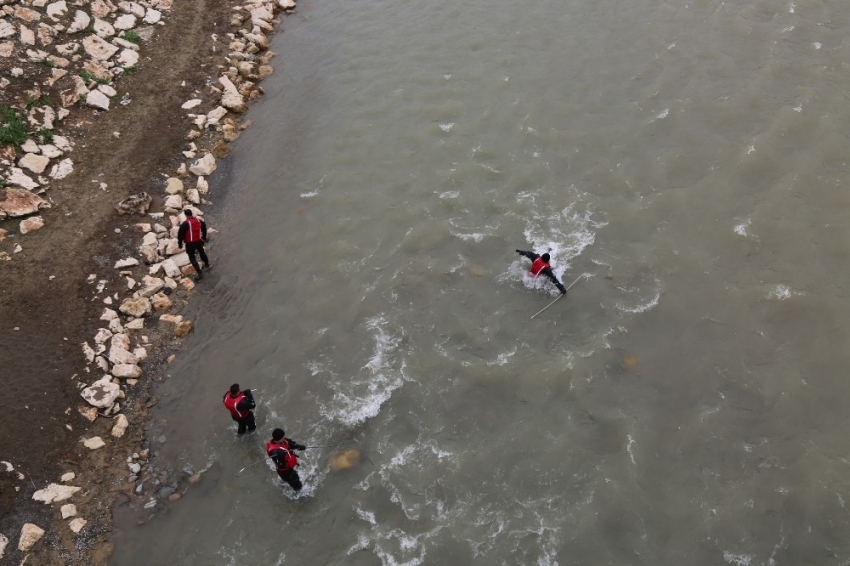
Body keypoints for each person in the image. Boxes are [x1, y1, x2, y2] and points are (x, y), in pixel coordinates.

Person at [177, 209, 210, 280]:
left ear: (185, 215)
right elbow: (204, 227)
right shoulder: (198, 221)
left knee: (192, 258)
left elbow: (180, 235)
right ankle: (207, 264)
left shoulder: (185, 224)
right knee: (202, 253)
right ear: (191, 214)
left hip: (190, 244)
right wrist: (204, 236)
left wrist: (180, 244)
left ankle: (200, 273)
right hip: (198, 241)